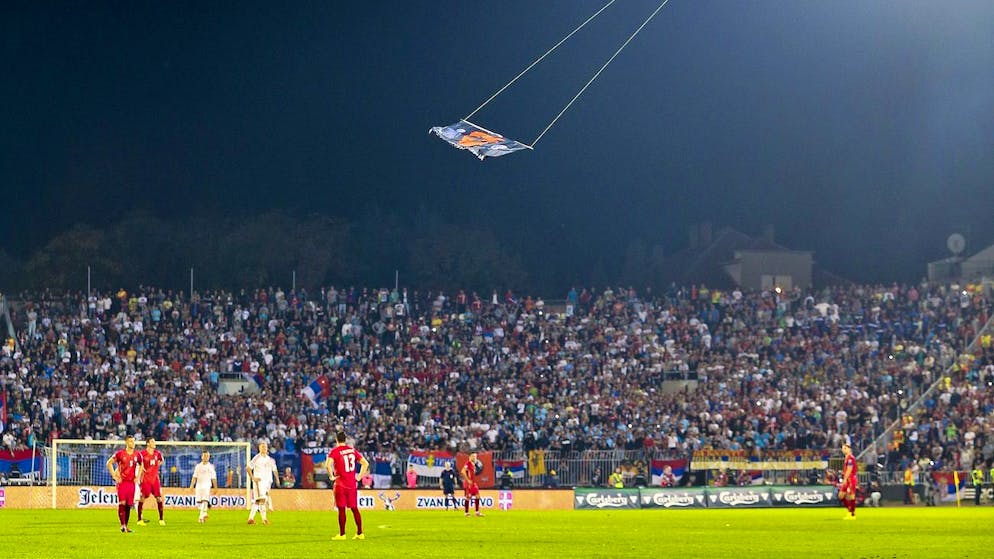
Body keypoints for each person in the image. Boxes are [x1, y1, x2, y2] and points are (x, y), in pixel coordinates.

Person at [326, 431, 369, 540]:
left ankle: (342, 534)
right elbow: (365, 463)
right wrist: (358, 477)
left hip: (341, 484)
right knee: (354, 509)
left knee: (341, 509)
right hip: (352, 484)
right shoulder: (352, 450)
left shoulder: (335, 451)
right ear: (345, 439)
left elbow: (327, 465)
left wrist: (331, 476)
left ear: (336, 440)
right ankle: (360, 533)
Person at [105, 435, 144, 533]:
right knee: (122, 503)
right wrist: (114, 475)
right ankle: (122, 525)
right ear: (126, 442)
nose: (133, 443)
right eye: (131, 441)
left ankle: (125, 526)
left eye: (133, 441)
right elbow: (109, 463)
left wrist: (138, 476)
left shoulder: (137, 455)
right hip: (122, 482)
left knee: (129, 505)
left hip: (131, 483)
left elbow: (142, 464)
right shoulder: (120, 454)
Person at [246, 441, 279, 525]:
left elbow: (274, 470)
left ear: (267, 448)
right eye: (262, 447)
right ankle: (264, 519)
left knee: (258, 501)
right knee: (262, 500)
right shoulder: (257, 458)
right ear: (259, 448)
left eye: (265, 447)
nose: (264, 448)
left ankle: (251, 518)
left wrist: (277, 479)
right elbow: (248, 468)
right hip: (259, 481)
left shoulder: (270, 459)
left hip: (267, 482)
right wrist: (253, 477)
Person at [136, 438, 166, 526]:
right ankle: (139, 519)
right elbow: (137, 463)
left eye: (154, 441)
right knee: (142, 498)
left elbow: (162, 460)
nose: (154, 443)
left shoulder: (157, 453)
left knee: (159, 498)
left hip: (155, 479)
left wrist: (156, 466)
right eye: (152, 441)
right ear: (148, 444)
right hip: (146, 479)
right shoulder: (142, 454)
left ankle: (161, 519)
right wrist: (141, 470)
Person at [190, 451, 217, 523]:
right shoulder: (198, 466)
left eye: (207, 456)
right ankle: (203, 514)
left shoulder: (211, 467)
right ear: (202, 457)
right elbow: (194, 477)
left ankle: (202, 515)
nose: (206, 457)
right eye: (204, 456)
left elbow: (213, 478)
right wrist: (191, 486)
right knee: (199, 502)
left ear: (209, 457)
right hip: (198, 486)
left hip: (207, 485)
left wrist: (215, 487)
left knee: (205, 500)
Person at [461, 452, 483, 517]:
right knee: (468, 497)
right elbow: (462, 471)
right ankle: (466, 513)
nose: (475, 457)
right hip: (469, 484)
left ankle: (477, 512)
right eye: (473, 456)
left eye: (476, 456)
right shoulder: (468, 463)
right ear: (470, 457)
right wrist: (467, 480)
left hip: (473, 483)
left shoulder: (473, 464)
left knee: (478, 496)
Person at [839, 442, 858, 520]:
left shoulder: (850, 458)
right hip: (847, 478)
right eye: (843, 448)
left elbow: (849, 469)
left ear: (849, 449)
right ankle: (850, 511)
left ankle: (852, 514)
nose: (843, 450)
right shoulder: (847, 458)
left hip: (850, 479)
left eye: (845, 448)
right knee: (841, 496)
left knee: (851, 496)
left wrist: (845, 479)